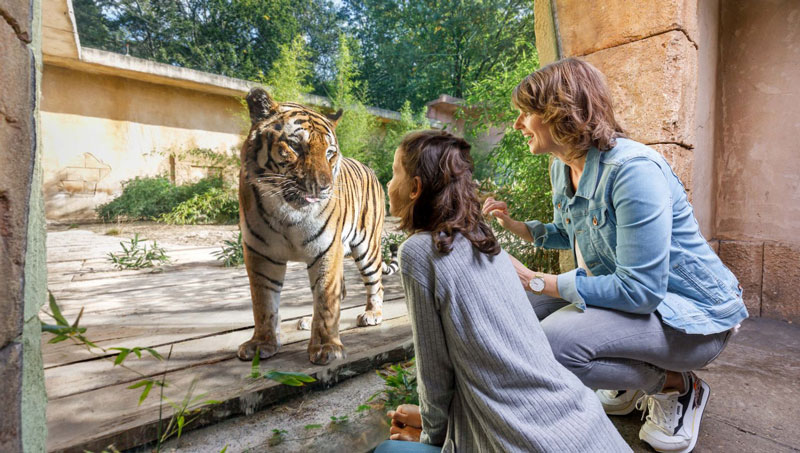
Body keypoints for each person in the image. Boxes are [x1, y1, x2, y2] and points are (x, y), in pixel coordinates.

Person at [481, 57, 748, 453]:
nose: (518, 124)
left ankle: (678, 386)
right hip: (640, 305)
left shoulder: (632, 171)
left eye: (526, 113)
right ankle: (627, 375)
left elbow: (641, 290)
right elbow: (572, 232)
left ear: (559, 112)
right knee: (507, 306)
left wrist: (539, 281)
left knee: (555, 344)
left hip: (694, 318)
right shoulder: (562, 167)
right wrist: (519, 228)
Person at [374, 130, 631, 453]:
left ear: (415, 188)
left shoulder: (419, 252)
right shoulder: (482, 238)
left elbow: (435, 374)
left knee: (387, 450)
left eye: (395, 173)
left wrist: (434, 439)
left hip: (524, 441)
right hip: (586, 423)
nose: (388, 184)